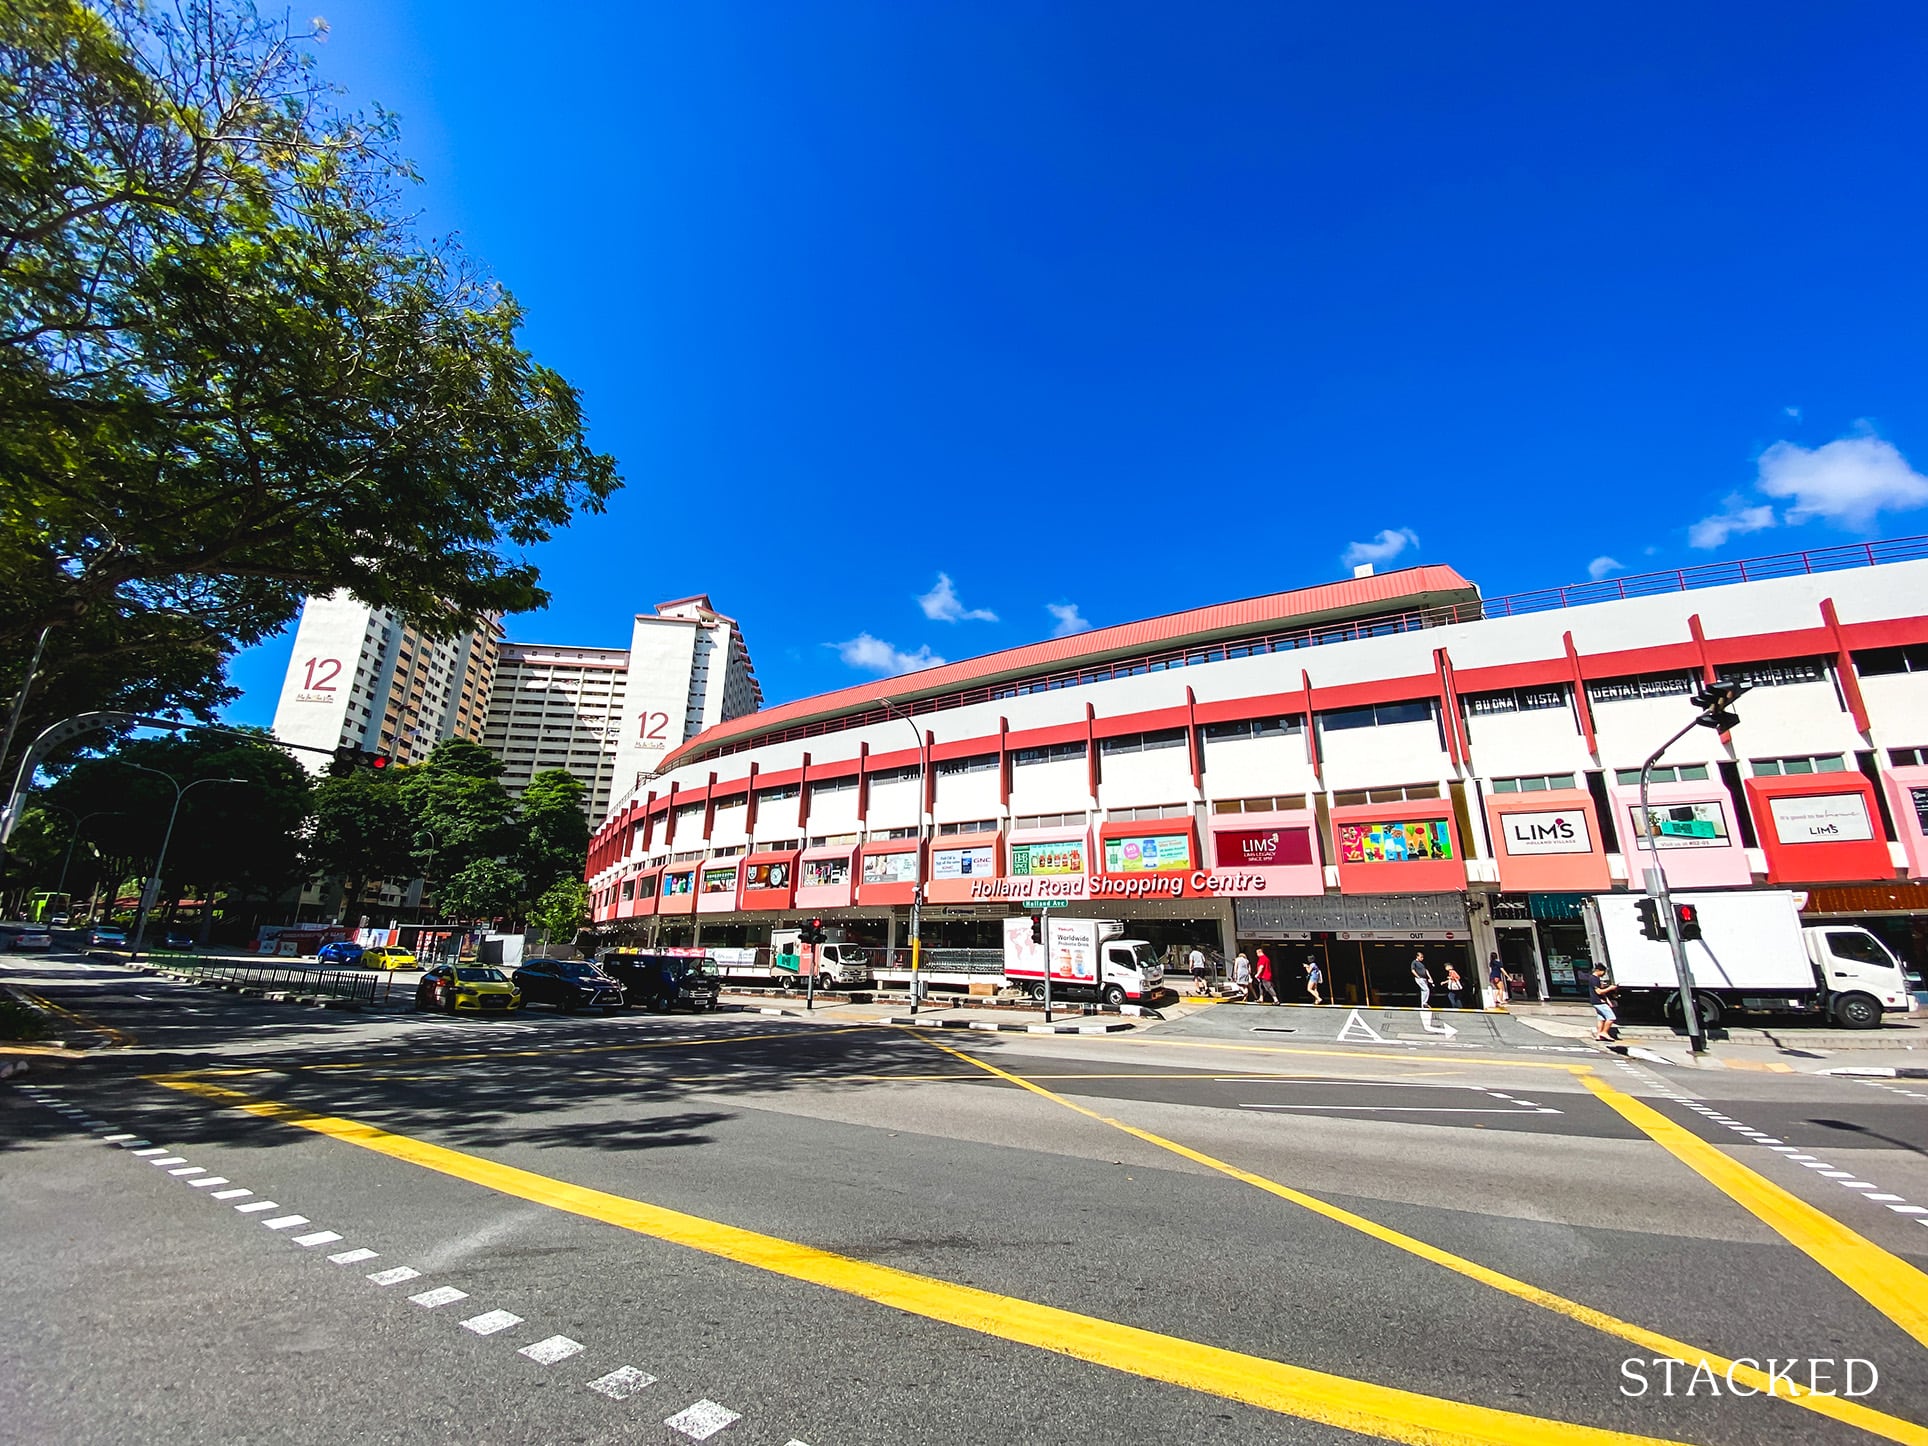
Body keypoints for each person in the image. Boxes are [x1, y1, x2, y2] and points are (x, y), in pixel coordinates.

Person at [1586, 961, 1619, 1041]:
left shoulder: (1595, 979)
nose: (1604, 974)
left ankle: (1598, 1035)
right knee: (1611, 1017)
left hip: (1597, 1001)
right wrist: (1610, 988)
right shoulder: (1593, 979)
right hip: (1598, 1002)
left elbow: (1601, 992)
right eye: (1603, 972)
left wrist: (1608, 1000)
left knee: (1601, 1018)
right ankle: (1604, 1032)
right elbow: (1599, 992)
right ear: (1599, 970)